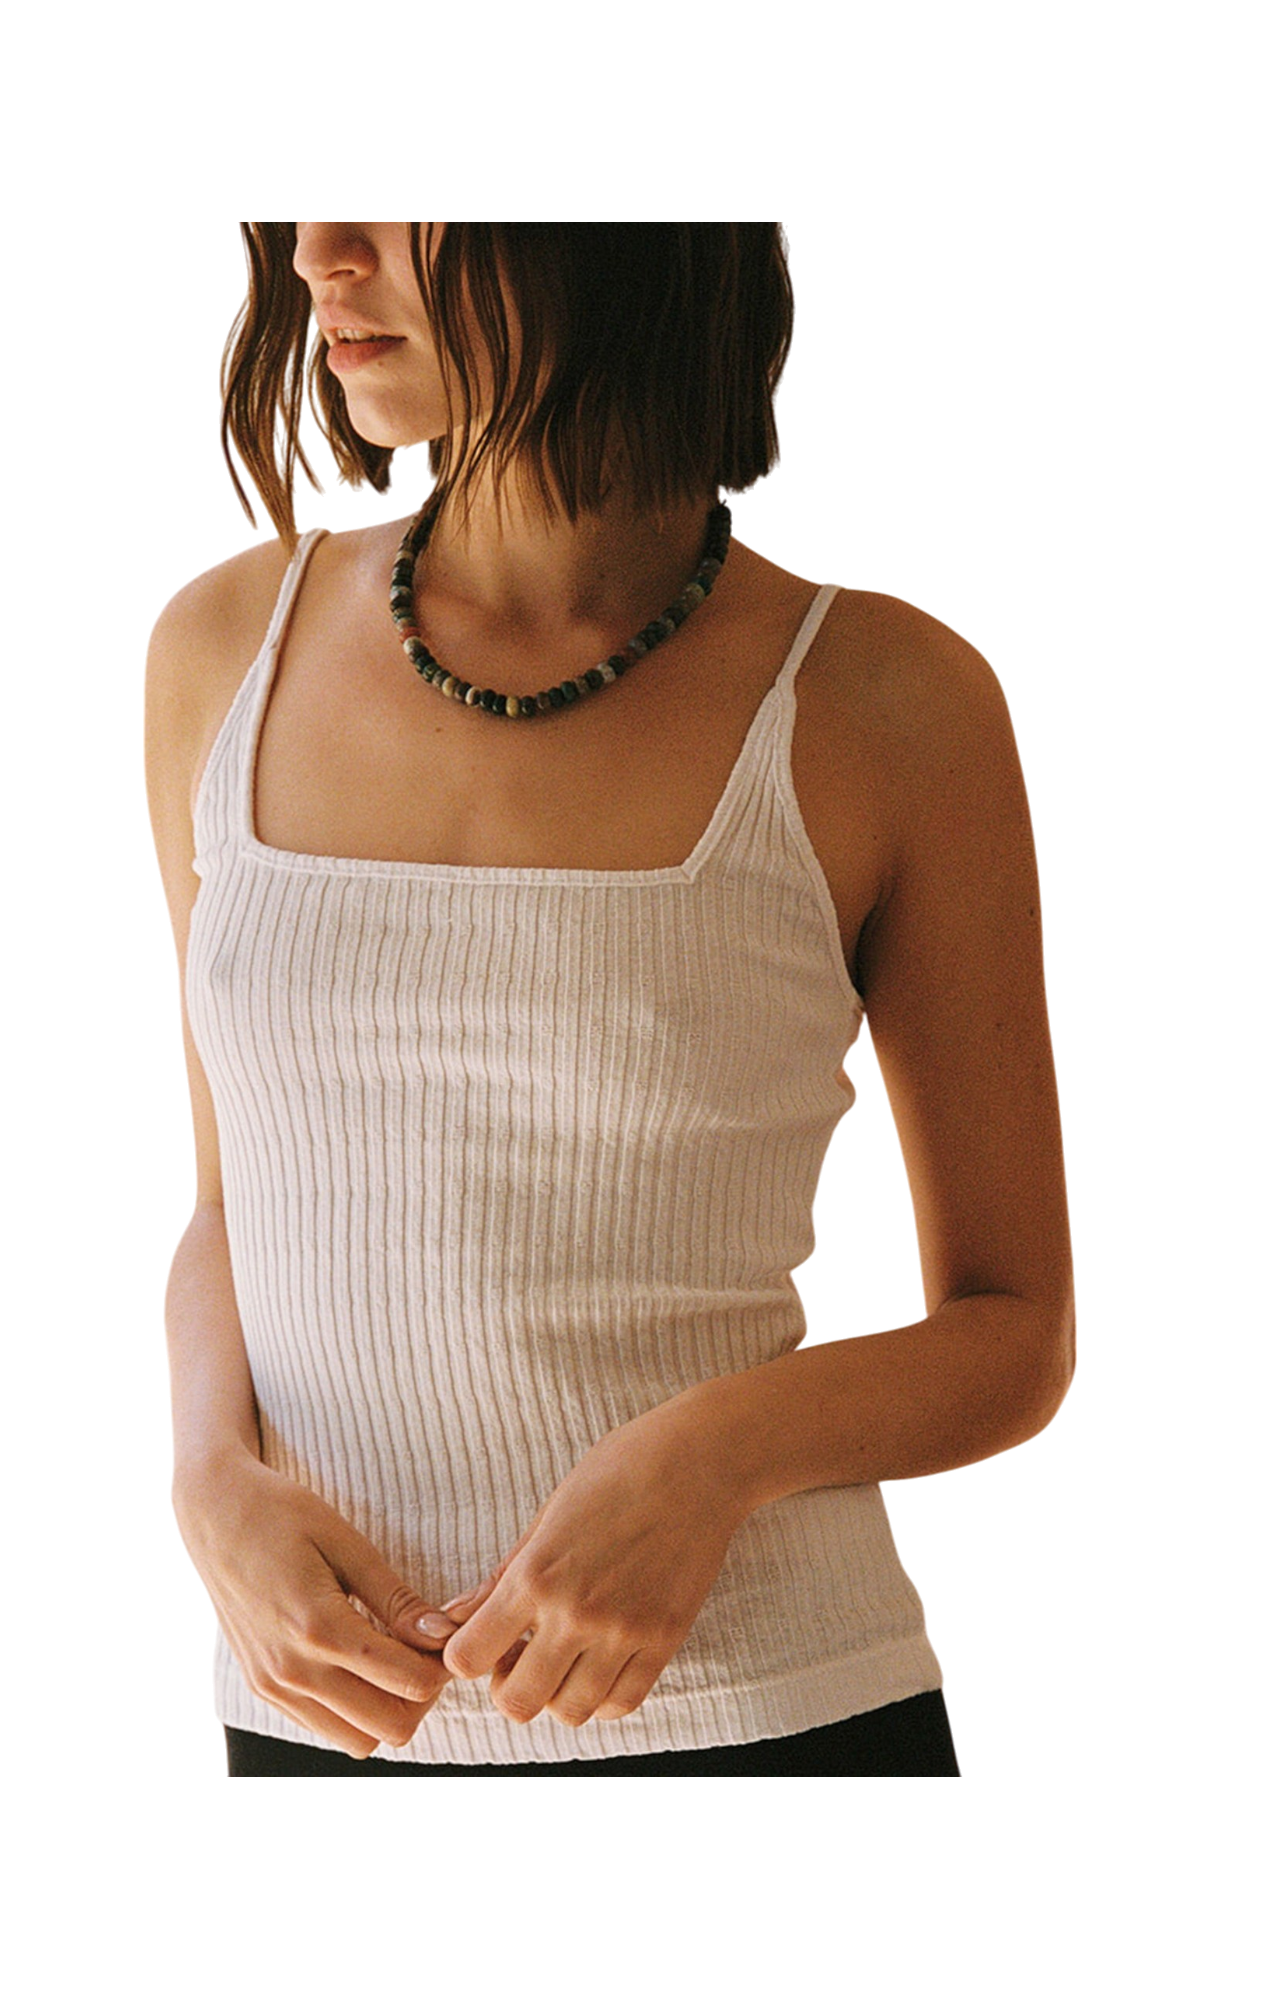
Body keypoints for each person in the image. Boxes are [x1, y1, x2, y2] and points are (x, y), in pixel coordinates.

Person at [143, 222, 1074, 1776]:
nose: (317, 254)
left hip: (767, 1716)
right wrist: (204, 1486)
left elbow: (1012, 1333)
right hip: (314, 1723)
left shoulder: (883, 698)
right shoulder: (224, 645)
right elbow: (230, 1205)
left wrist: (710, 1458)